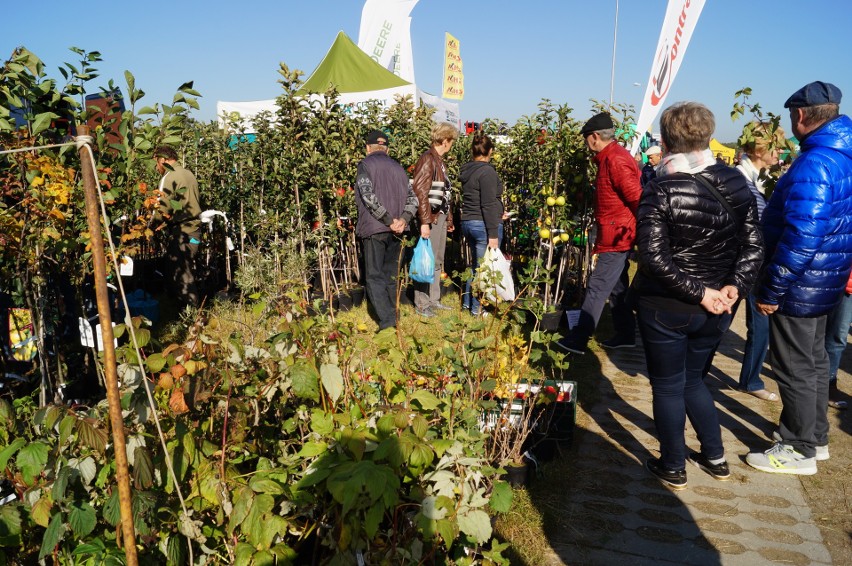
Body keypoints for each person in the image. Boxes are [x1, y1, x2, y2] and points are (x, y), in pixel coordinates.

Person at [633, 102, 764, 489]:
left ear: (667, 138)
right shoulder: (737, 181)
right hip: (718, 306)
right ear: (708, 135)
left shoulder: (660, 186)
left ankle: (673, 465)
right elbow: (755, 244)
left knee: (670, 386)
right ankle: (715, 457)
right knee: (693, 382)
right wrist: (732, 288)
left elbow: (652, 258)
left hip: (670, 305)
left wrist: (710, 291)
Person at [746, 81, 852, 475]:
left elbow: (802, 233)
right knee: (814, 361)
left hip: (802, 283)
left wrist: (773, 287)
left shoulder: (816, 162)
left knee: (793, 366)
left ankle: (798, 447)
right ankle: (816, 438)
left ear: (801, 116)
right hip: (825, 279)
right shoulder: (842, 155)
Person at [556, 112, 642, 354]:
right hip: (614, 232)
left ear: (594, 137)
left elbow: (637, 198)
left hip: (617, 236)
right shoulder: (609, 159)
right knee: (617, 287)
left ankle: (578, 339)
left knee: (598, 285)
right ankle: (626, 334)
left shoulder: (615, 160)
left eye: (586, 139)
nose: (586, 144)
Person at [735, 122, 786, 402]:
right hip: (739, 262)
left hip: (760, 261)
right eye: (775, 146)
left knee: (760, 325)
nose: (779, 151)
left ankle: (751, 380)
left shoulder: (768, 179)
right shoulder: (739, 178)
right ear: (759, 149)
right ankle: (693, 377)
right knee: (718, 322)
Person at [354, 129, 418, 331]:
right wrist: (402, 220)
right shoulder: (399, 168)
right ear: (387, 148)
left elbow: (368, 196)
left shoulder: (365, 166)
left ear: (367, 148)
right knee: (391, 275)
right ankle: (394, 315)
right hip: (399, 230)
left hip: (376, 229)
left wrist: (388, 220)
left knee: (374, 276)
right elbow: (413, 199)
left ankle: (388, 321)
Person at [412, 122, 459, 317]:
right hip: (430, 217)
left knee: (437, 259)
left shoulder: (439, 161)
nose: (452, 145)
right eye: (452, 141)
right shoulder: (427, 159)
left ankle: (434, 299)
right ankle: (422, 303)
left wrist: (447, 218)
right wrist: (424, 221)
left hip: (438, 217)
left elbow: (444, 193)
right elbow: (420, 191)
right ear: (446, 140)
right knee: (426, 260)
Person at [459, 132, 504, 316]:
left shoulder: (467, 170)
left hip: (469, 222)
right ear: (490, 151)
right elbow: (487, 203)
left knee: (476, 266)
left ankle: (468, 304)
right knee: (485, 269)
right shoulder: (487, 172)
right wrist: (493, 233)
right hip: (482, 225)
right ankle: (478, 309)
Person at [152, 146, 202, 311]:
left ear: (163, 160)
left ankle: (193, 315)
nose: (157, 168)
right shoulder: (188, 174)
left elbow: (161, 208)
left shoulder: (169, 176)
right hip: (195, 230)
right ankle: (178, 309)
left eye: (156, 163)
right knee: (181, 267)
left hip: (182, 231)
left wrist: (150, 226)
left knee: (183, 273)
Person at [825, 270, 851, 409]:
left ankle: (829, 384)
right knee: (813, 331)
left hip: (849, 288)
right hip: (825, 277)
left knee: (838, 336)